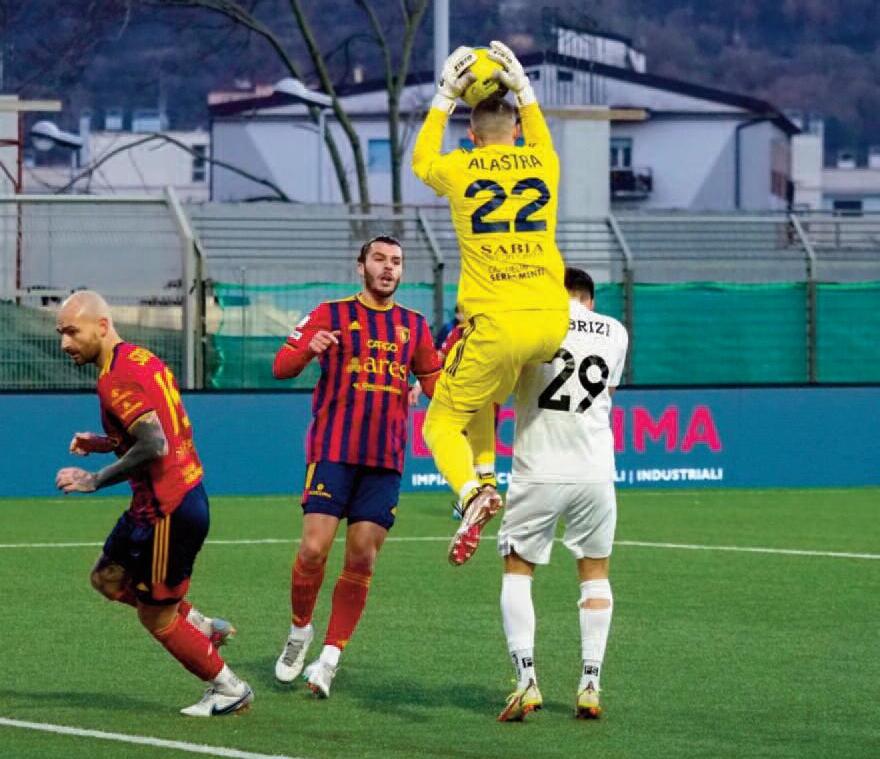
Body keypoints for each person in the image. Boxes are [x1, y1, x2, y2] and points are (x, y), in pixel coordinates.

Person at [54, 290, 253, 717]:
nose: (65, 343)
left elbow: (154, 444)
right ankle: (199, 626)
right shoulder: (139, 359)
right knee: (107, 578)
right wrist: (104, 441)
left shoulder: (115, 379)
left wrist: (95, 479)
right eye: (60, 333)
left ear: (101, 326)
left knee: (156, 618)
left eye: (71, 331)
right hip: (156, 506)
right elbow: (152, 427)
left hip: (169, 511)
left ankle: (228, 688)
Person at [412, 41, 569, 566]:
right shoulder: (544, 162)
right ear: (517, 131)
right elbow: (540, 136)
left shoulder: (461, 168)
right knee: (478, 396)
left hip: (498, 323)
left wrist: (444, 96)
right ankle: (487, 475)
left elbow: (421, 162)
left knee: (439, 424)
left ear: (472, 137)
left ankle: (471, 493)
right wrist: (524, 89)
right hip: (552, 320)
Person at [272, 235, 441, 697]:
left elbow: (434, 381)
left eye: (396, 262)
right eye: (379, 259)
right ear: (360, 266)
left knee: (363, 556)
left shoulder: (414, 325)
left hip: (384, 459)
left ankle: (329, 657)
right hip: (333, 452)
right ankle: (299, 631)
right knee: (313, 550)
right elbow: (281, 367)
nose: (388, 268)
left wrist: (439, 383)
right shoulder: (329, 313)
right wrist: (310, 348)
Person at [495, 268, 628, 722]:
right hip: (595, 471)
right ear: (590, 298)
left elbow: (505, 384)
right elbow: (607, 390)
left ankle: (526, 679)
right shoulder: (615, 331)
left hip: (538, 469)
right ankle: (590, 684)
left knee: (518, 571)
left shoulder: (534, 325)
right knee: (595, 574)